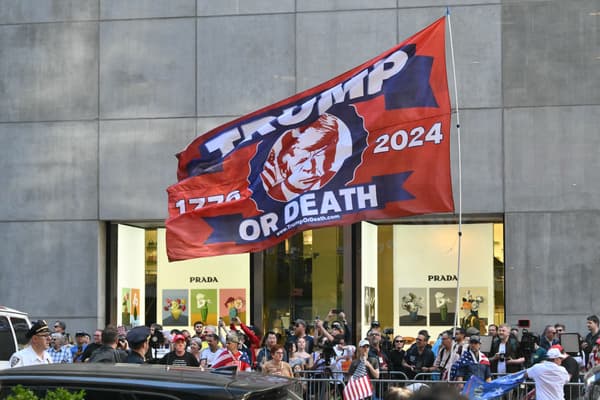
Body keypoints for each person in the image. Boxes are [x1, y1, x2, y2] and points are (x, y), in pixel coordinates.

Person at [261, 113, 347, 202]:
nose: (310, 165)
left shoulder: (332, 178)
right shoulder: (269, 176)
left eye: (318, 154)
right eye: (305, 154)